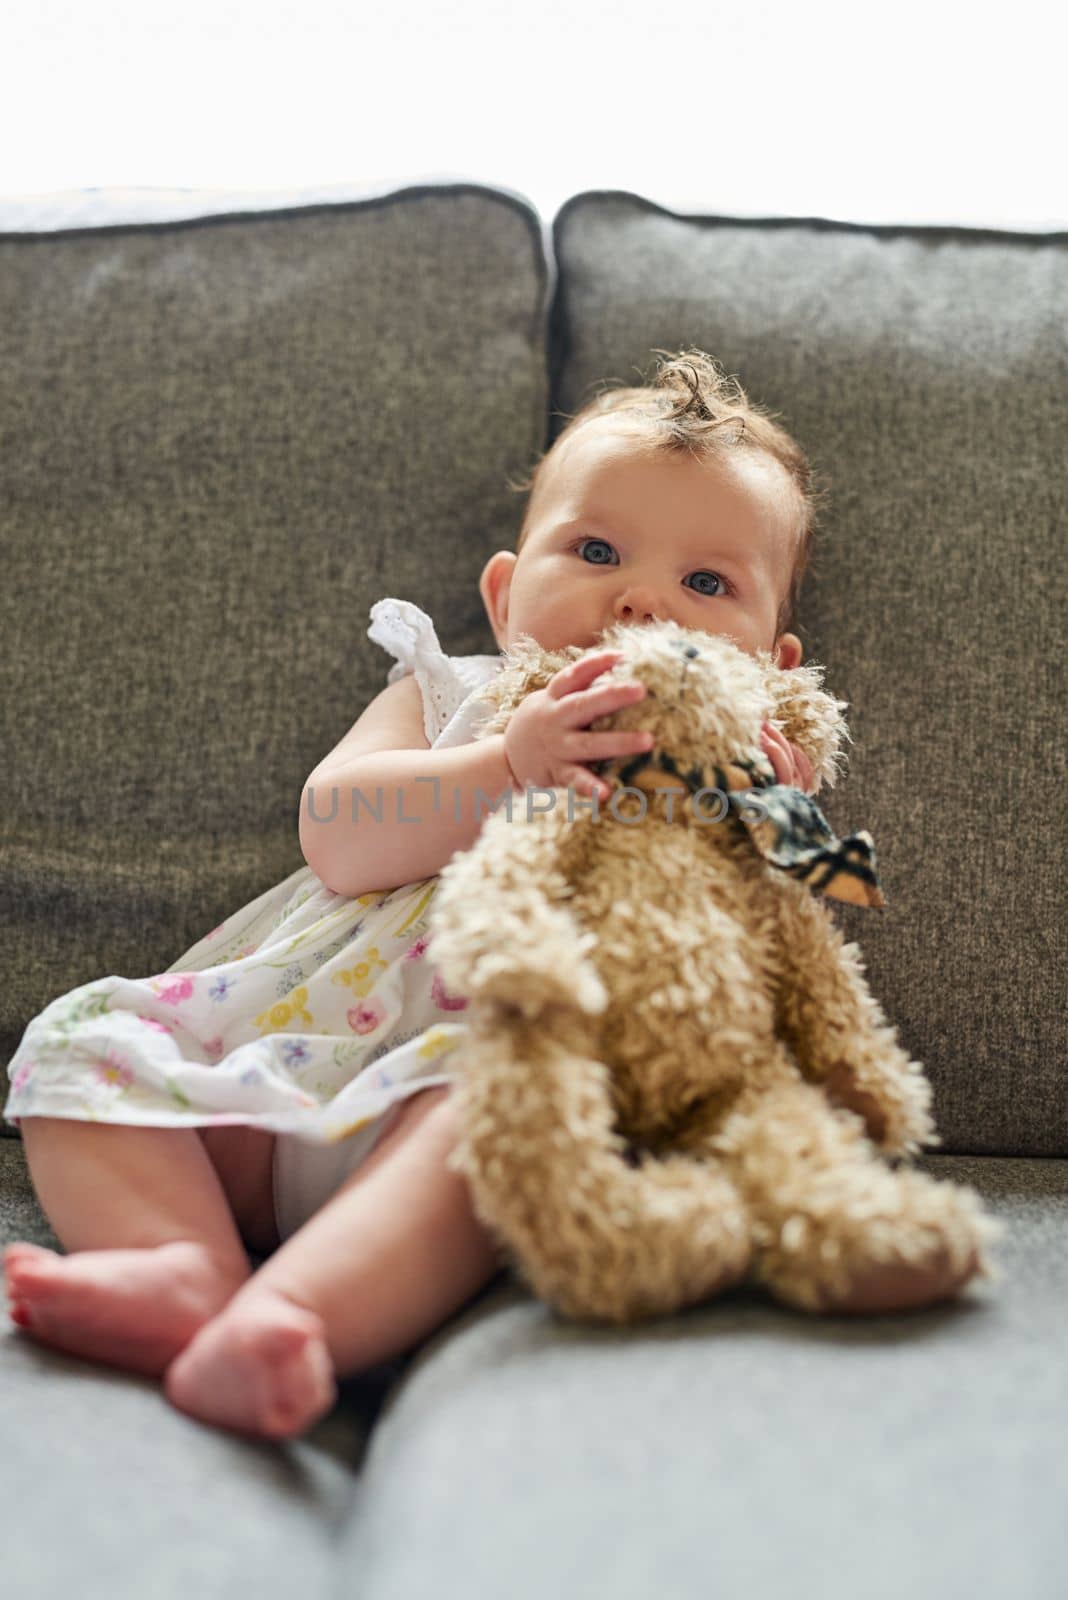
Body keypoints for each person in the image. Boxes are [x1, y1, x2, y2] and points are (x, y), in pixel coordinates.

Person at [3, 348, 848, 1442]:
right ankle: (179, 1267)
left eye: (707, 583)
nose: (641, 597)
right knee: (80, 1041)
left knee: (503, 1120)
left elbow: (773, 955)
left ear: (775, 658)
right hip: (271, 1069)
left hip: (461, 1086)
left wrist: (771, 813)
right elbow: (338, 836)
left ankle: (289, 1320)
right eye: (596, 550)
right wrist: (505, 765)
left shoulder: (731, 766)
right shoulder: (450, 691)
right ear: (505, 597)